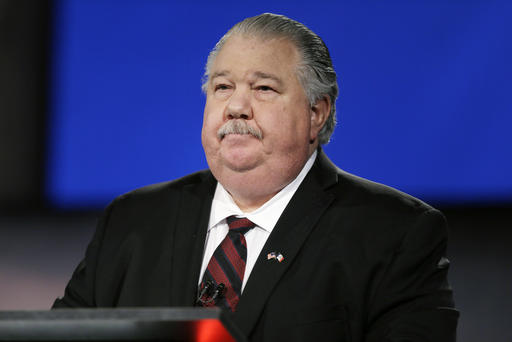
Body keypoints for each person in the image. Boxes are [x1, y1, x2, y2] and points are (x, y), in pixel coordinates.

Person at [53, 13, 458, 341]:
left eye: (263, 88)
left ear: (316, 113)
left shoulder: (395, 233)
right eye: (222, 87)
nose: (236, 107)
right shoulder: (133, 221)